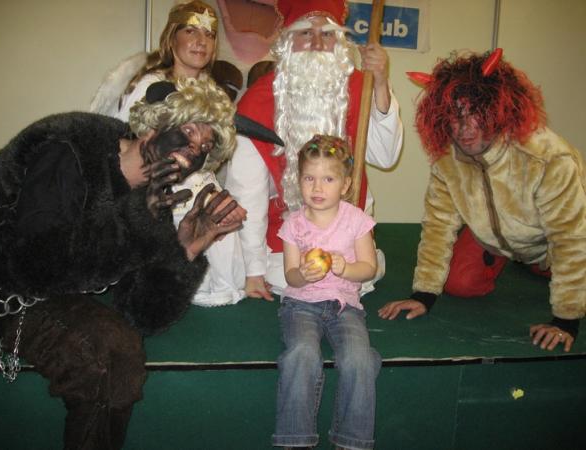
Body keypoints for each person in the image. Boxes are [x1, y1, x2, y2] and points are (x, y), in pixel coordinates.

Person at [0, 77, 243, 449]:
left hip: (48, 290)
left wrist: (185, 251)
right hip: (0, 288)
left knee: (120, 350)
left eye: (205, 147)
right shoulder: (70, 147)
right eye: (188, 132)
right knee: (106, 356)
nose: (194, 151)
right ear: (154, 125)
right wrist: (133, 220)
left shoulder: (153, 200)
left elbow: (142, 314)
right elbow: (33, 265)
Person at [378, 49, 586, 353]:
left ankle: (541, 265)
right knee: (459, 284)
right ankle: (524, 261)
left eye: (475, 113)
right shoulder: (447, 162)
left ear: (498, 110)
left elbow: (570, 238)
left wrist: (566, 319)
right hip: (495, 242)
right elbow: (437, 227)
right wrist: (423, 295)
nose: (464, 128)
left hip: (549, 243)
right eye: (455, 116)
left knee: (572, 268)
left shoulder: (548, 158)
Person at [225, 0, 403, 302]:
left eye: (328, 34)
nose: (318, 44)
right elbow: (247, 194)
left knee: (361, 273)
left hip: (349, 236)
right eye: (307, 33)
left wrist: (381, 83)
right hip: (285, 239)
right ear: (288, 41)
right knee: (288, 278)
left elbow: (385, 157)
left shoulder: (361, 86)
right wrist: (253, 271)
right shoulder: (257, 102)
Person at [91, 0, 249, 306]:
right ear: (171, 36)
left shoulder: (209, 90)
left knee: (220, 216)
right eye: (191, 31)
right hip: (155, 189)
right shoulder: (149, 85)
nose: (201, 41)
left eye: (209, 34)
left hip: (197, 182)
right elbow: (123, 146)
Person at [273, 135, 381, 450]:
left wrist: (346, 268)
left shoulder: (357, 221)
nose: (317, 188)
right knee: (302, 353)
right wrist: (302, 275)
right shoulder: (293, 225)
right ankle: (295, 440)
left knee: (359, 359)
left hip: (344, 306)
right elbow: (291, 276)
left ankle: (351, 441)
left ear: (345, 185)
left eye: (328, 179)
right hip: (301, 305)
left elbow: (369, 268)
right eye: (309, 178)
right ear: (299, 181)